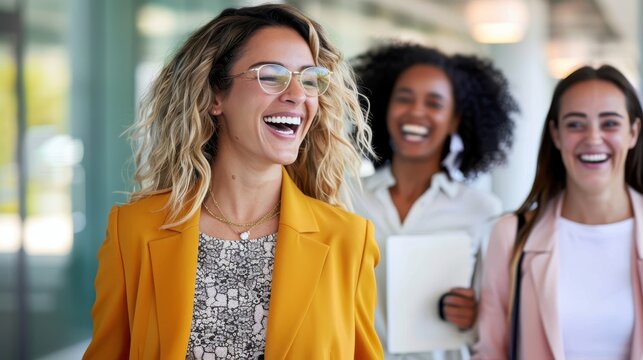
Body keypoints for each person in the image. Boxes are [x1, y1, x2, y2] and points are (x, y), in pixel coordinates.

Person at [83, 4, 383, 359]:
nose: (298, 95)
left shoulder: (348, 239)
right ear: (215, 96)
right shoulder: (133, 230)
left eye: (309, 79)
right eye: (271, 75)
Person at [351, 42, 517, 359]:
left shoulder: (483, 211)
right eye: (404, 99)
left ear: (455, 119)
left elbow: (497, 316)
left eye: (434, 103)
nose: (416, 112)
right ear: (385, 107)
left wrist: (473, 315)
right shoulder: (347, 196)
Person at [474, 65, 643, 359]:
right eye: (575, 124)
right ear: (556, 134)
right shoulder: (512, 235)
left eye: (610, 123)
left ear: (633, 132)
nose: (592, 138)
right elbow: (490, 351)